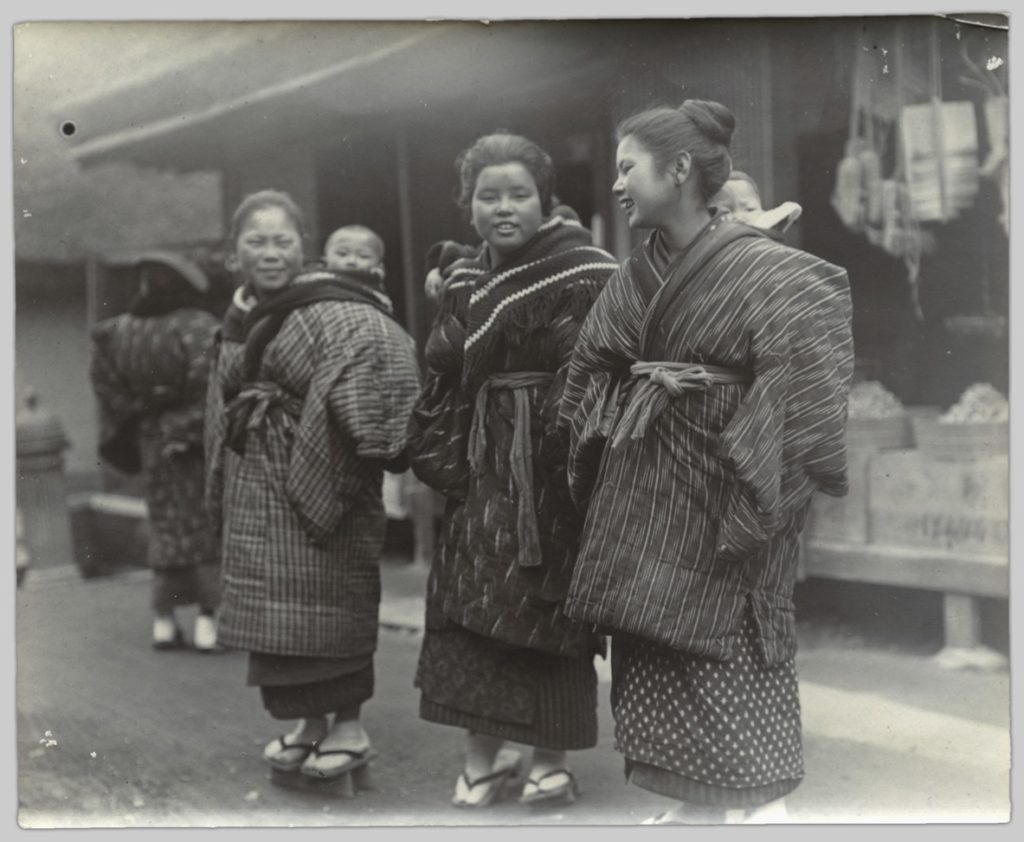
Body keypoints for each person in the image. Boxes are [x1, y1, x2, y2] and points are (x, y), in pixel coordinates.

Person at [558, 101, 854, 824]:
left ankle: (757, 803)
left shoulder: (770, 269)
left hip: (730, 472)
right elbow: (589, 365)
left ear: (680, 168)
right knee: (654, 630)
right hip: (646, 476)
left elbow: (809, 387)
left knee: (730, 633)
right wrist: (589, 431)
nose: (619, 183)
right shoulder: (638, 272)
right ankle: (696, 803)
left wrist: (767, 486)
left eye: (628, 166)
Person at [407, 132, 619, 809]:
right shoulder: (468, 276)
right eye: (487, 196)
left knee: (548, 597)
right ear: (467, 205)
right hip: (481, 461)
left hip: (551, 461)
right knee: (473, 602)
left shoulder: (582, 267)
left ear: (545, 200)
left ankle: (549, 760)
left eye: (519, 194)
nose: (504, 208)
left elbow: (588, 367)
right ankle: (483, 758)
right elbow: (441, 362)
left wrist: (551, 447)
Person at [204, 189, 420, 781]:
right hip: (259, 485)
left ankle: (348, 724)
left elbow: (382, 356)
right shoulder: (242, 313)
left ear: (305, 247)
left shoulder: (340, 305)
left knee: (332, 602)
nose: (270, 253)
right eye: (256, 241)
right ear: (234, 254)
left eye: (283, 240)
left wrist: (361, 437)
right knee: (277, 615)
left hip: (322, 476)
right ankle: (309, 725)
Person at [89, 250, 222, 652]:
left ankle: (163, 620)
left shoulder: (116, 333)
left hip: (149, 438)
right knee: (205, 524)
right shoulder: (198, 327)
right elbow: (210, 384)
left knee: (165, 525)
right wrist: (187, 424)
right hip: (196, 439)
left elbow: (106, 387)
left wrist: (139, 416)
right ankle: (207, 621)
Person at [712, 170, 802, 237]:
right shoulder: (714, 237)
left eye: (750, 209)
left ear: (762, 212)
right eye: (726, 211)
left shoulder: (765, 227)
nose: (739, 217)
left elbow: (792, 209)